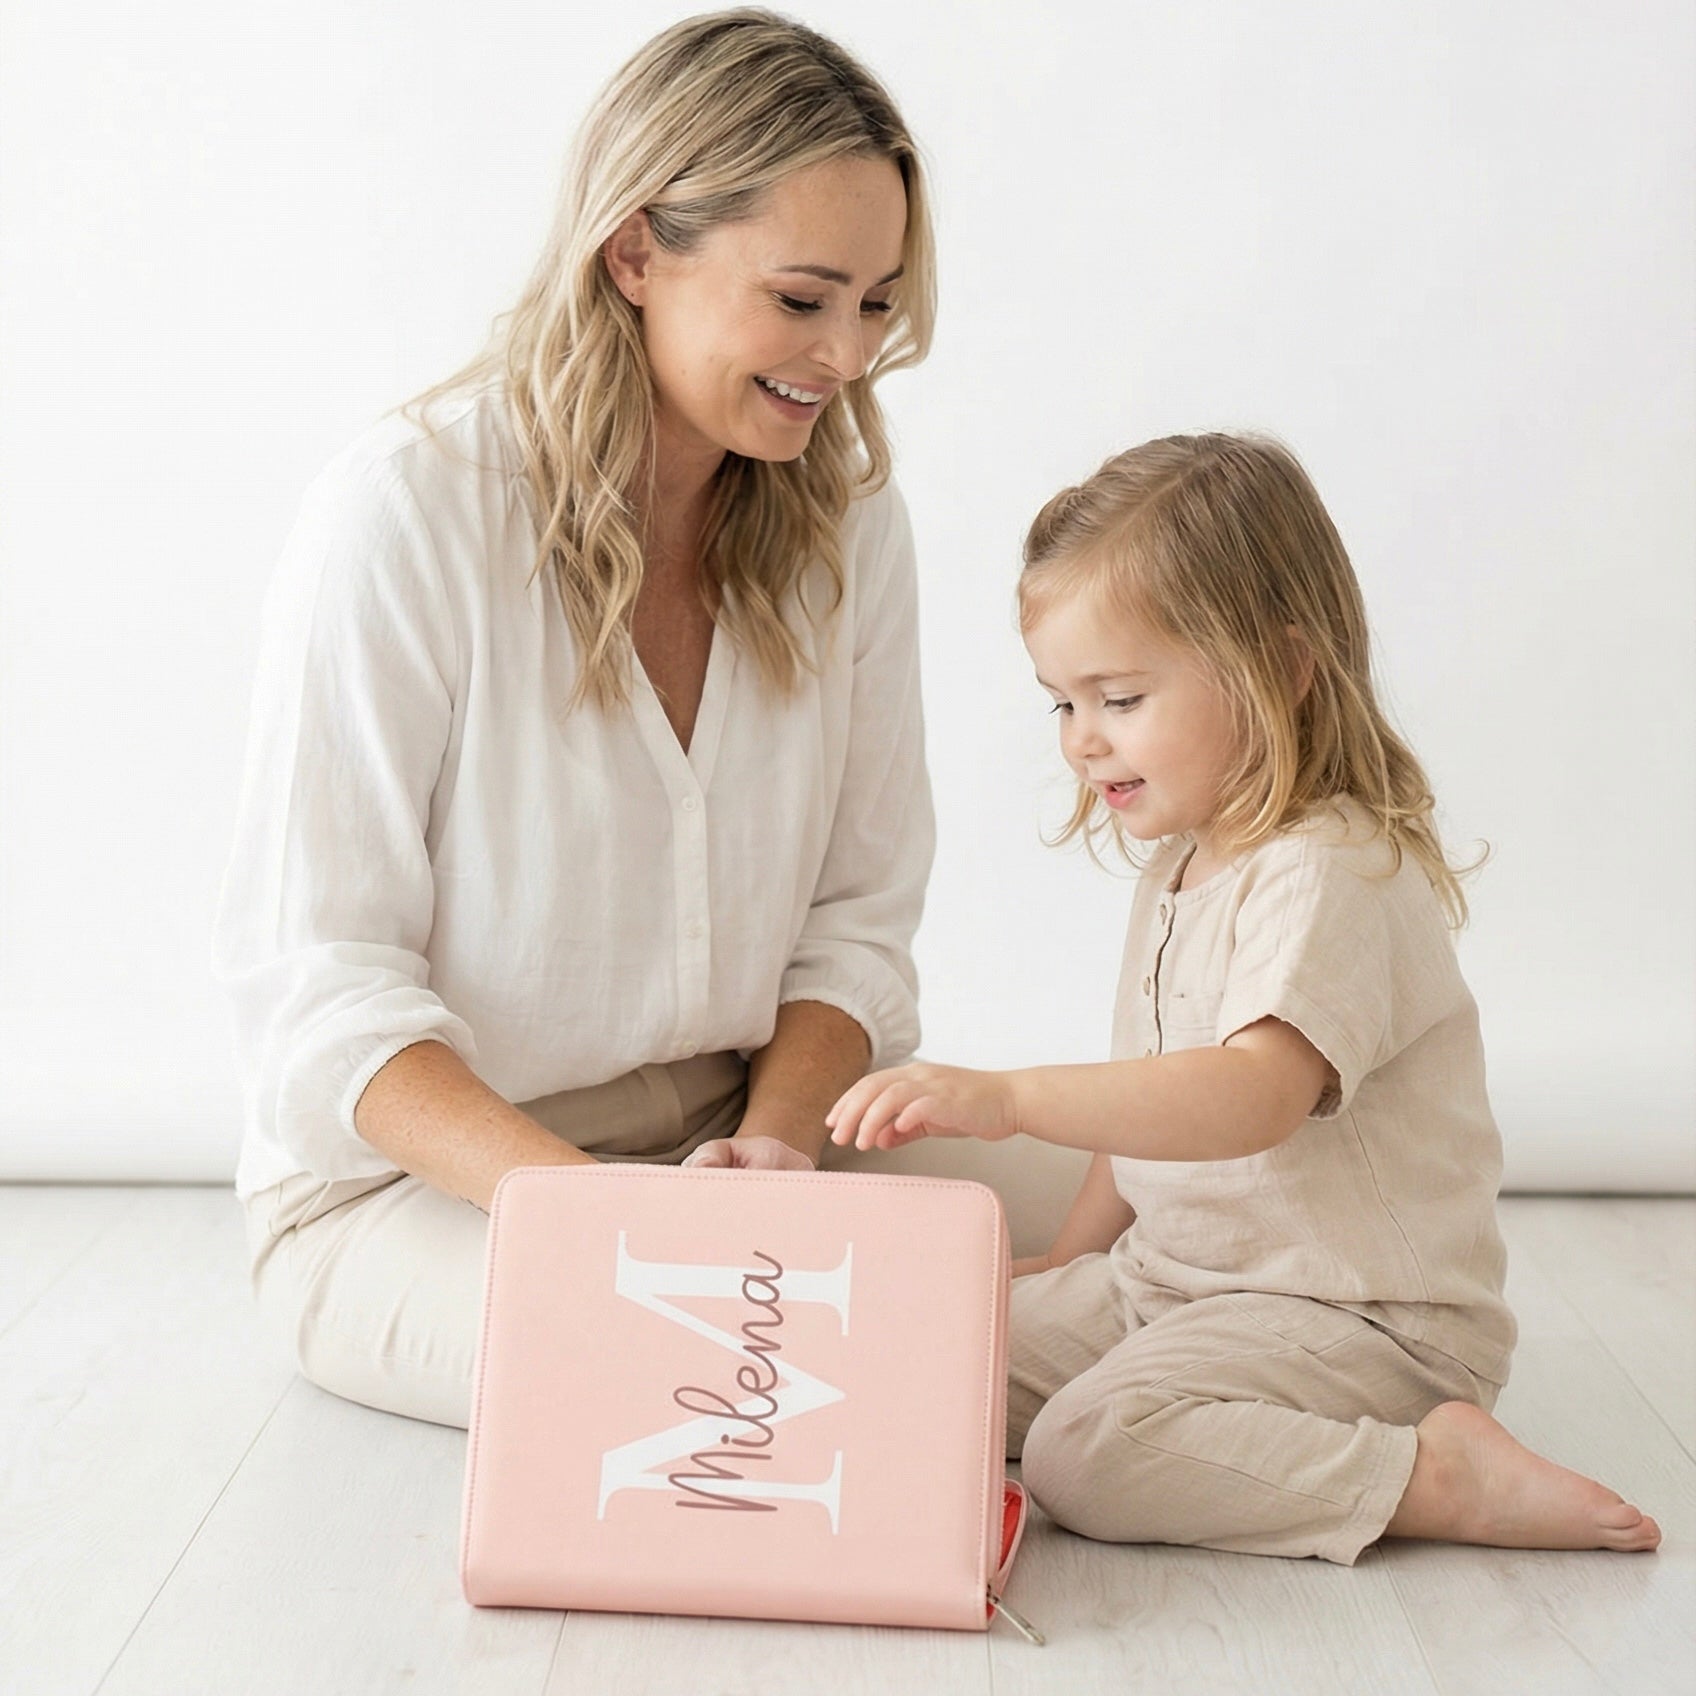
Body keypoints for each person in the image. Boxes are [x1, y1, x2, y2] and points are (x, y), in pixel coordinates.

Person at [215, 10, 937, 1428]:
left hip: (741, 1144)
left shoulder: (849, 523)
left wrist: (776, 1149)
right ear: (634, 254)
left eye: (876, 302)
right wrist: (607, 1220)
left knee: (1147, 1249)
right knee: (768, 1379)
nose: (847, 355)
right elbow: (320, 994)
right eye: (804, 299)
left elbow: (858, 922)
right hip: (421, 1193)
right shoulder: (408, 514)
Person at [828, 433, 1661, 1561]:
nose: (1082, 741)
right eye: (1061, 704)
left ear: (1282, 668)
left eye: (1120, 697)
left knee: (1089, 1452)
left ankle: (1428, 1472)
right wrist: (1070, 1264)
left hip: (1359, 1322)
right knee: (908, 1354)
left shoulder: (1328, 869)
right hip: (1170, 1289)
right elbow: (1144, 1113)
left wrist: (1010, 1097)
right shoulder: (1181, 865)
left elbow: (1252, 1094)